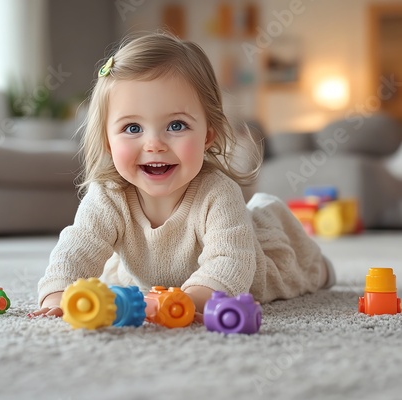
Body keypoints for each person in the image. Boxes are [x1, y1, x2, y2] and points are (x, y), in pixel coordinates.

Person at [28, 31, 335, 320]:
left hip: (252, 266)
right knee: (114, 275)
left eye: (176, 125)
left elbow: (230, 263)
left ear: (207, 136)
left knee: (298, 269)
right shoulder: (109, 194)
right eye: (132, 128)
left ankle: (320, 266)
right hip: (151, 276)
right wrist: (58, 296)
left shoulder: (217, 192)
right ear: (108, 141)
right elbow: (77, 247)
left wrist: (187, 301)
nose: (154, 144)